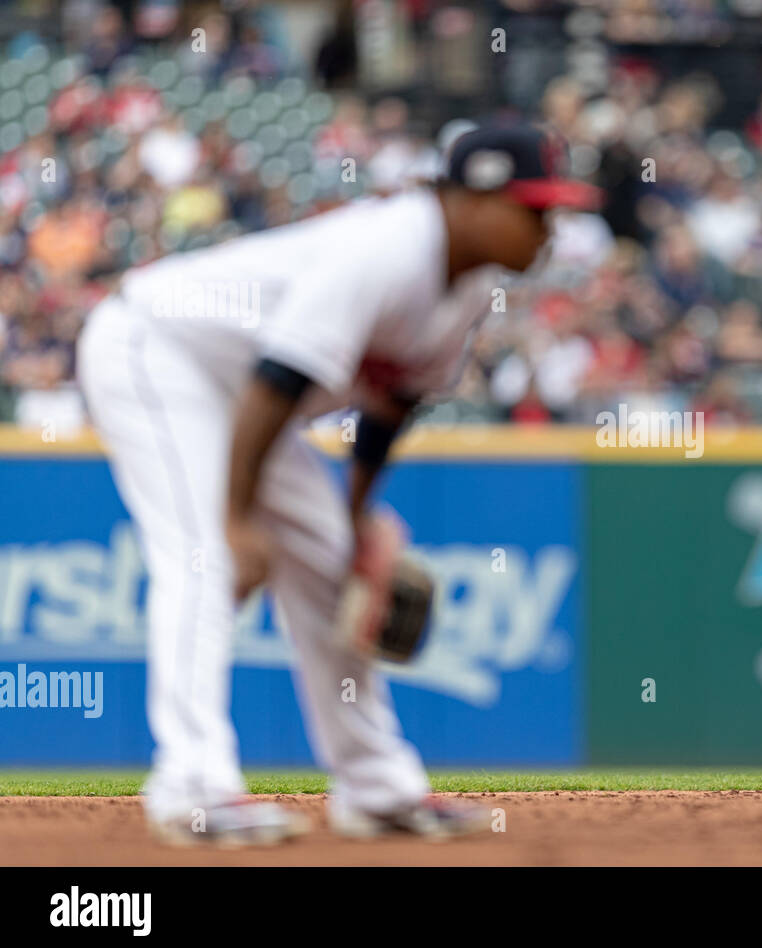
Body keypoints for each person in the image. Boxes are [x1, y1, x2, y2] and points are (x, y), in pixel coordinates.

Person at [76, 124, 601, 844]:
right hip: (155, 349)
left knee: (331, 566)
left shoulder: (472, 287)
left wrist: (355, 524)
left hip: (248, 394)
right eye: (533, 209)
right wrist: (237, 522)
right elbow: (278, 380)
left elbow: (388, 411)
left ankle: (376, 787)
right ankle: (193, 786)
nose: (549, 229)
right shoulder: (390, 246)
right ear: (473, 198)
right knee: (207, 558)